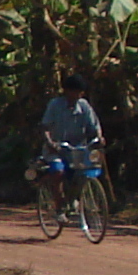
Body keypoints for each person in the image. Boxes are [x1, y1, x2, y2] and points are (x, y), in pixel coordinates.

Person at [37, 73, 103, 216]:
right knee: (58, 172)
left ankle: (74, 198)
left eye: (80, 92)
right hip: (57, 149)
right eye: (74, 91)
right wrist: (50, 143)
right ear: (66, 91)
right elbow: (45, 127)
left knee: (85, 172)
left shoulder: (84, 106)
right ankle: (60, 207)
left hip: (78, 149)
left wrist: (99, 137)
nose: (77, 95)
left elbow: (94, 126)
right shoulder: (55, 105)